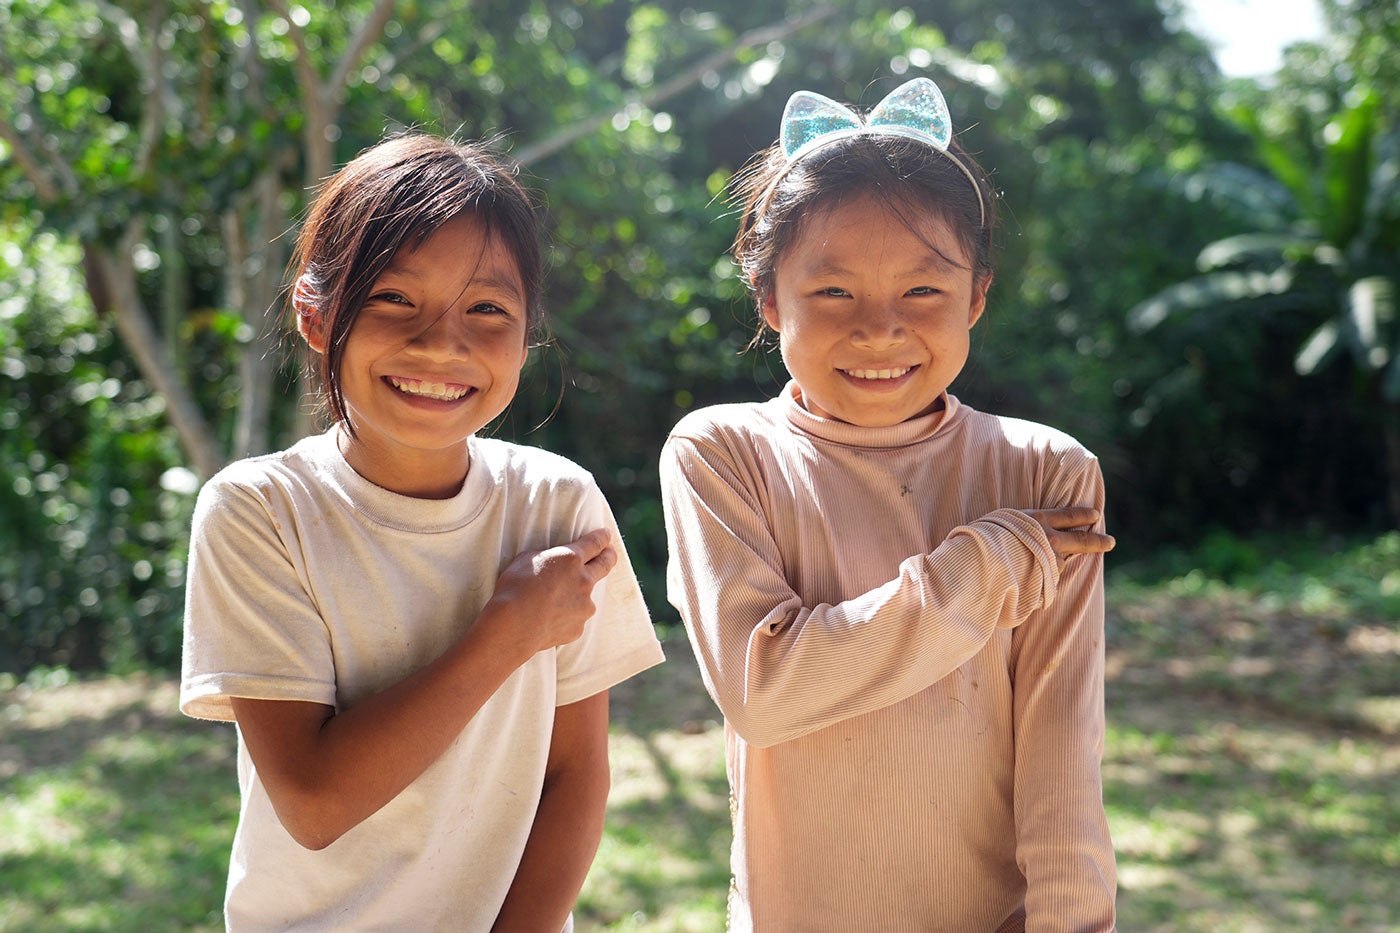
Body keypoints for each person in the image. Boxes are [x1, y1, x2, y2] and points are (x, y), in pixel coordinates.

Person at [660, 77, 1117, 930]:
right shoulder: (723, 454)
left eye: (923, 291)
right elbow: (766, 691)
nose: (879, 328)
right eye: (833, 292)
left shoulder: (1045, 474)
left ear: (976, 296)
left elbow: (1062, 755)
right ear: (770, 299)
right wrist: (985, 566)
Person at [180, 133, 664, 931]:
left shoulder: (557, 502)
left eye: (487, 309)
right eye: (395, 300)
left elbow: (575, 773)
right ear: (316, 313)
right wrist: (506, 632)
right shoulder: (259, 510)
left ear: (526, 334)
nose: (443, 343)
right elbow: (314, 800)